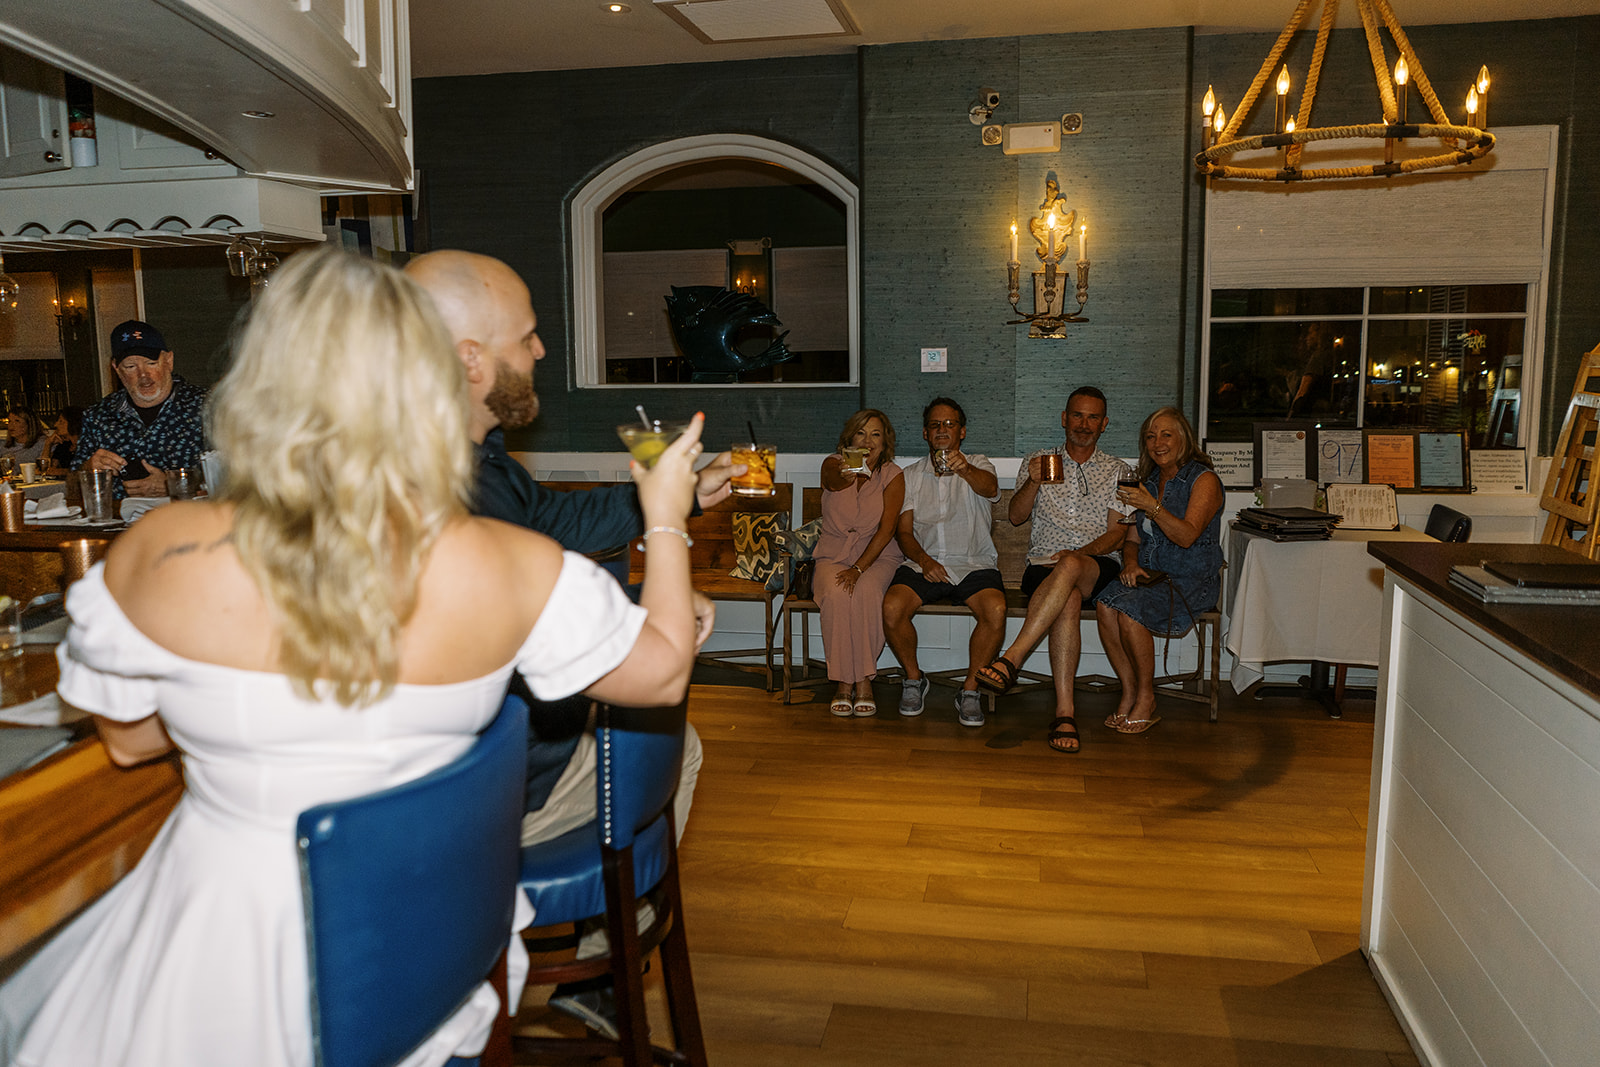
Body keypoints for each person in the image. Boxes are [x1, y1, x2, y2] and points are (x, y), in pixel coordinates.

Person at [0, 248, 705, 1066]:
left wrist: (243, 713)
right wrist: (665, 513)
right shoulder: (508, 564)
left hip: (220, 988)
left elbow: (126, 740)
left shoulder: (155, 552)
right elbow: (660, 670)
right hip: (431, 962)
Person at [404, 248, 727, 1037]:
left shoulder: (469, 458)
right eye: (529, 335)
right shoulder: (460, 499)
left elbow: (548, 528)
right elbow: (655, 666)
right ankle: (604, 962)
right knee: (670, 742)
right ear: (471, 359)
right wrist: (662, 525)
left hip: (418, 797)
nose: (542, 350)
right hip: (477, 809)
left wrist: (667, 495)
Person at [974, 387, 1132, 753]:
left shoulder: (1118, 470)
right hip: (1042, 568)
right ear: (1064, 418)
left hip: (1098, 566)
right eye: (1077, 415)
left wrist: (1076, 556)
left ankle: (1012, 658)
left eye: (1093, 417)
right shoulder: (1038, 460)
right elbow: (1015, 517)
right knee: (1069, 599)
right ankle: (1065, 712)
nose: (1084, 424)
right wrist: (1033, 480)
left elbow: (1116, 537)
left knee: (1074, 566)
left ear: (1104, 424)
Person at [1095, 406, 1225, 735]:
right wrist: (1132, 563)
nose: (1158, 442)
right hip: (1153, 577)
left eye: (1167, 434)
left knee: (1129, 612)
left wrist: (1150, 506)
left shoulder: (1203, 479)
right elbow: (1133, 537)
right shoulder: (1150, 482)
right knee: (1104, 603)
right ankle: (1130, 691)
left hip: (1192, 580)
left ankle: (1147, 696)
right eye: (1151, 437)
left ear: (1184, 439)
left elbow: (1186, 535)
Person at [882, 397, 1004, 727]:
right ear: (925, 433)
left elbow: (991, 489)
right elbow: (904, 532)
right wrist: (923, 559)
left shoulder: (979, 464)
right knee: (892, 608)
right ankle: (913, 678)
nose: (942, 430)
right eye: (935, 425)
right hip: (926, 563)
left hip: (973, 562)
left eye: (949, 424)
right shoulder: (909, 475)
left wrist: (962, 467)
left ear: (961, 431)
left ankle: (970, 689)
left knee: (994, 611)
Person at [815, 409, 905, 718]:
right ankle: (843, 682)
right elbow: (831, 479)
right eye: (861, 434)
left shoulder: (893, 475)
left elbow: (888, 529)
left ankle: (864, 680)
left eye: (876, 434)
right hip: (832, 552)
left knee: (865, 591)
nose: (868, 441)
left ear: (885, 441)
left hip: (877, 555)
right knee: (837, 595)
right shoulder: (833, 464)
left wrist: (858, 568)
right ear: (850, 437)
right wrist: (845, 475)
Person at [74, 319, 207, 499]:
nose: (143, 375)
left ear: (169, 361)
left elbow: (243, 479)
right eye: (131, 367)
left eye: (151, 363)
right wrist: (88, 469)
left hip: (189, 523)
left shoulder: (207, 407)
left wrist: (176, 486)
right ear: (117, 369)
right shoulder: (98, 416)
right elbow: (71, 489)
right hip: (119, 525)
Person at [41, 406, 83, 477]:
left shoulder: (87, 445)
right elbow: (45, 469)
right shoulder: (64, 445)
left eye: (61, 421)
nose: (55, 425)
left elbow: (87, 469)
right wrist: (48, 444)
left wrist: (64, 471)